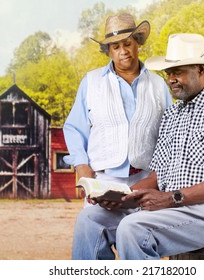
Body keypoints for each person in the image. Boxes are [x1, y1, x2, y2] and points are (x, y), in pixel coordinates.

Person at [71, 33, 204, 260]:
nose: (170, 79)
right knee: (90, 220)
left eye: (178, 72)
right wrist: (123, 196)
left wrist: (171, 198)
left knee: (134, 228)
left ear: (200, 69)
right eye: (168, 73)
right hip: (177, 204)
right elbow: (158, 175)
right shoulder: (173, 114)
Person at [63, 14, 172, 206]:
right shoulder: (91, 82)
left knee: (139, 233)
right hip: (103, 181)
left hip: (146, 181)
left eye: (128, 43)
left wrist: (156, 179)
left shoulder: (158, 85)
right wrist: (84, 171)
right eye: (116, 46)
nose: (123, 51)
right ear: (108, 51)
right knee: (94, 229)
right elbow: (74, 129)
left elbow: (171, 135)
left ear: (137, 43)